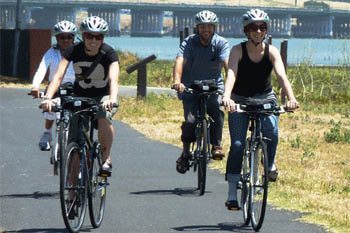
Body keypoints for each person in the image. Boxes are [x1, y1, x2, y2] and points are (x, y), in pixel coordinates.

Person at [222, 9, 299, 210]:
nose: (258, 31)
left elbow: (282, 76)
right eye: (253, 28)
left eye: (262, 27)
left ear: (266, 31)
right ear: (247, 31)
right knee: (238, 145)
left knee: (272, 132)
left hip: (265, 98)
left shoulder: (271, 51)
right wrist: (226, 97)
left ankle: (269, 164)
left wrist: (291, 98)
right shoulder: (238, 50)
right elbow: (231, 74)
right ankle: (232, 193)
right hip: (240, 99)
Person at [40, 16, 119, 176]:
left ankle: (105, 158)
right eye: (90, 36)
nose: (93, 40)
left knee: (103, 116)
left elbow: (113, 78)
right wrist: (48, 97)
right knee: (75, 145)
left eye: (98, 37)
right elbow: (58, 76)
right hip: (79, 96)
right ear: (83, 36)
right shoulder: (73, 50)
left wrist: (112, 98)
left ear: (103, 38)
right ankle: (72, 194)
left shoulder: (109, 53)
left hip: (102, 96)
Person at [172, 10, 230, 174]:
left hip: (213, 86)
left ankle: (216, 145)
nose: (206, 30)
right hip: (191, 86)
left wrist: (231, 88)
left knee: (217, 110)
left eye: (209, 26)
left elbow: (227, 64)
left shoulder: (221, 43)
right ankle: (185, 152)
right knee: (190, 121)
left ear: (214, 27)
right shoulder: (189, 42)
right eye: (202, 26)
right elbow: (180, 61)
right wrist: (177, 81)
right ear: (197, 28)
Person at [30, 20, 77, 151]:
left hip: (75, 88)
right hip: (55, 88)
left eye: (69, 37)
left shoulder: (79, 51)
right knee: (49, 108)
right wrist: (35, 86)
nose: (65, 40)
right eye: (62, 37)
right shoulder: (51, 52)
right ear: (56, 38)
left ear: (73, 38)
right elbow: (42, 69)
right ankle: (47, 133)